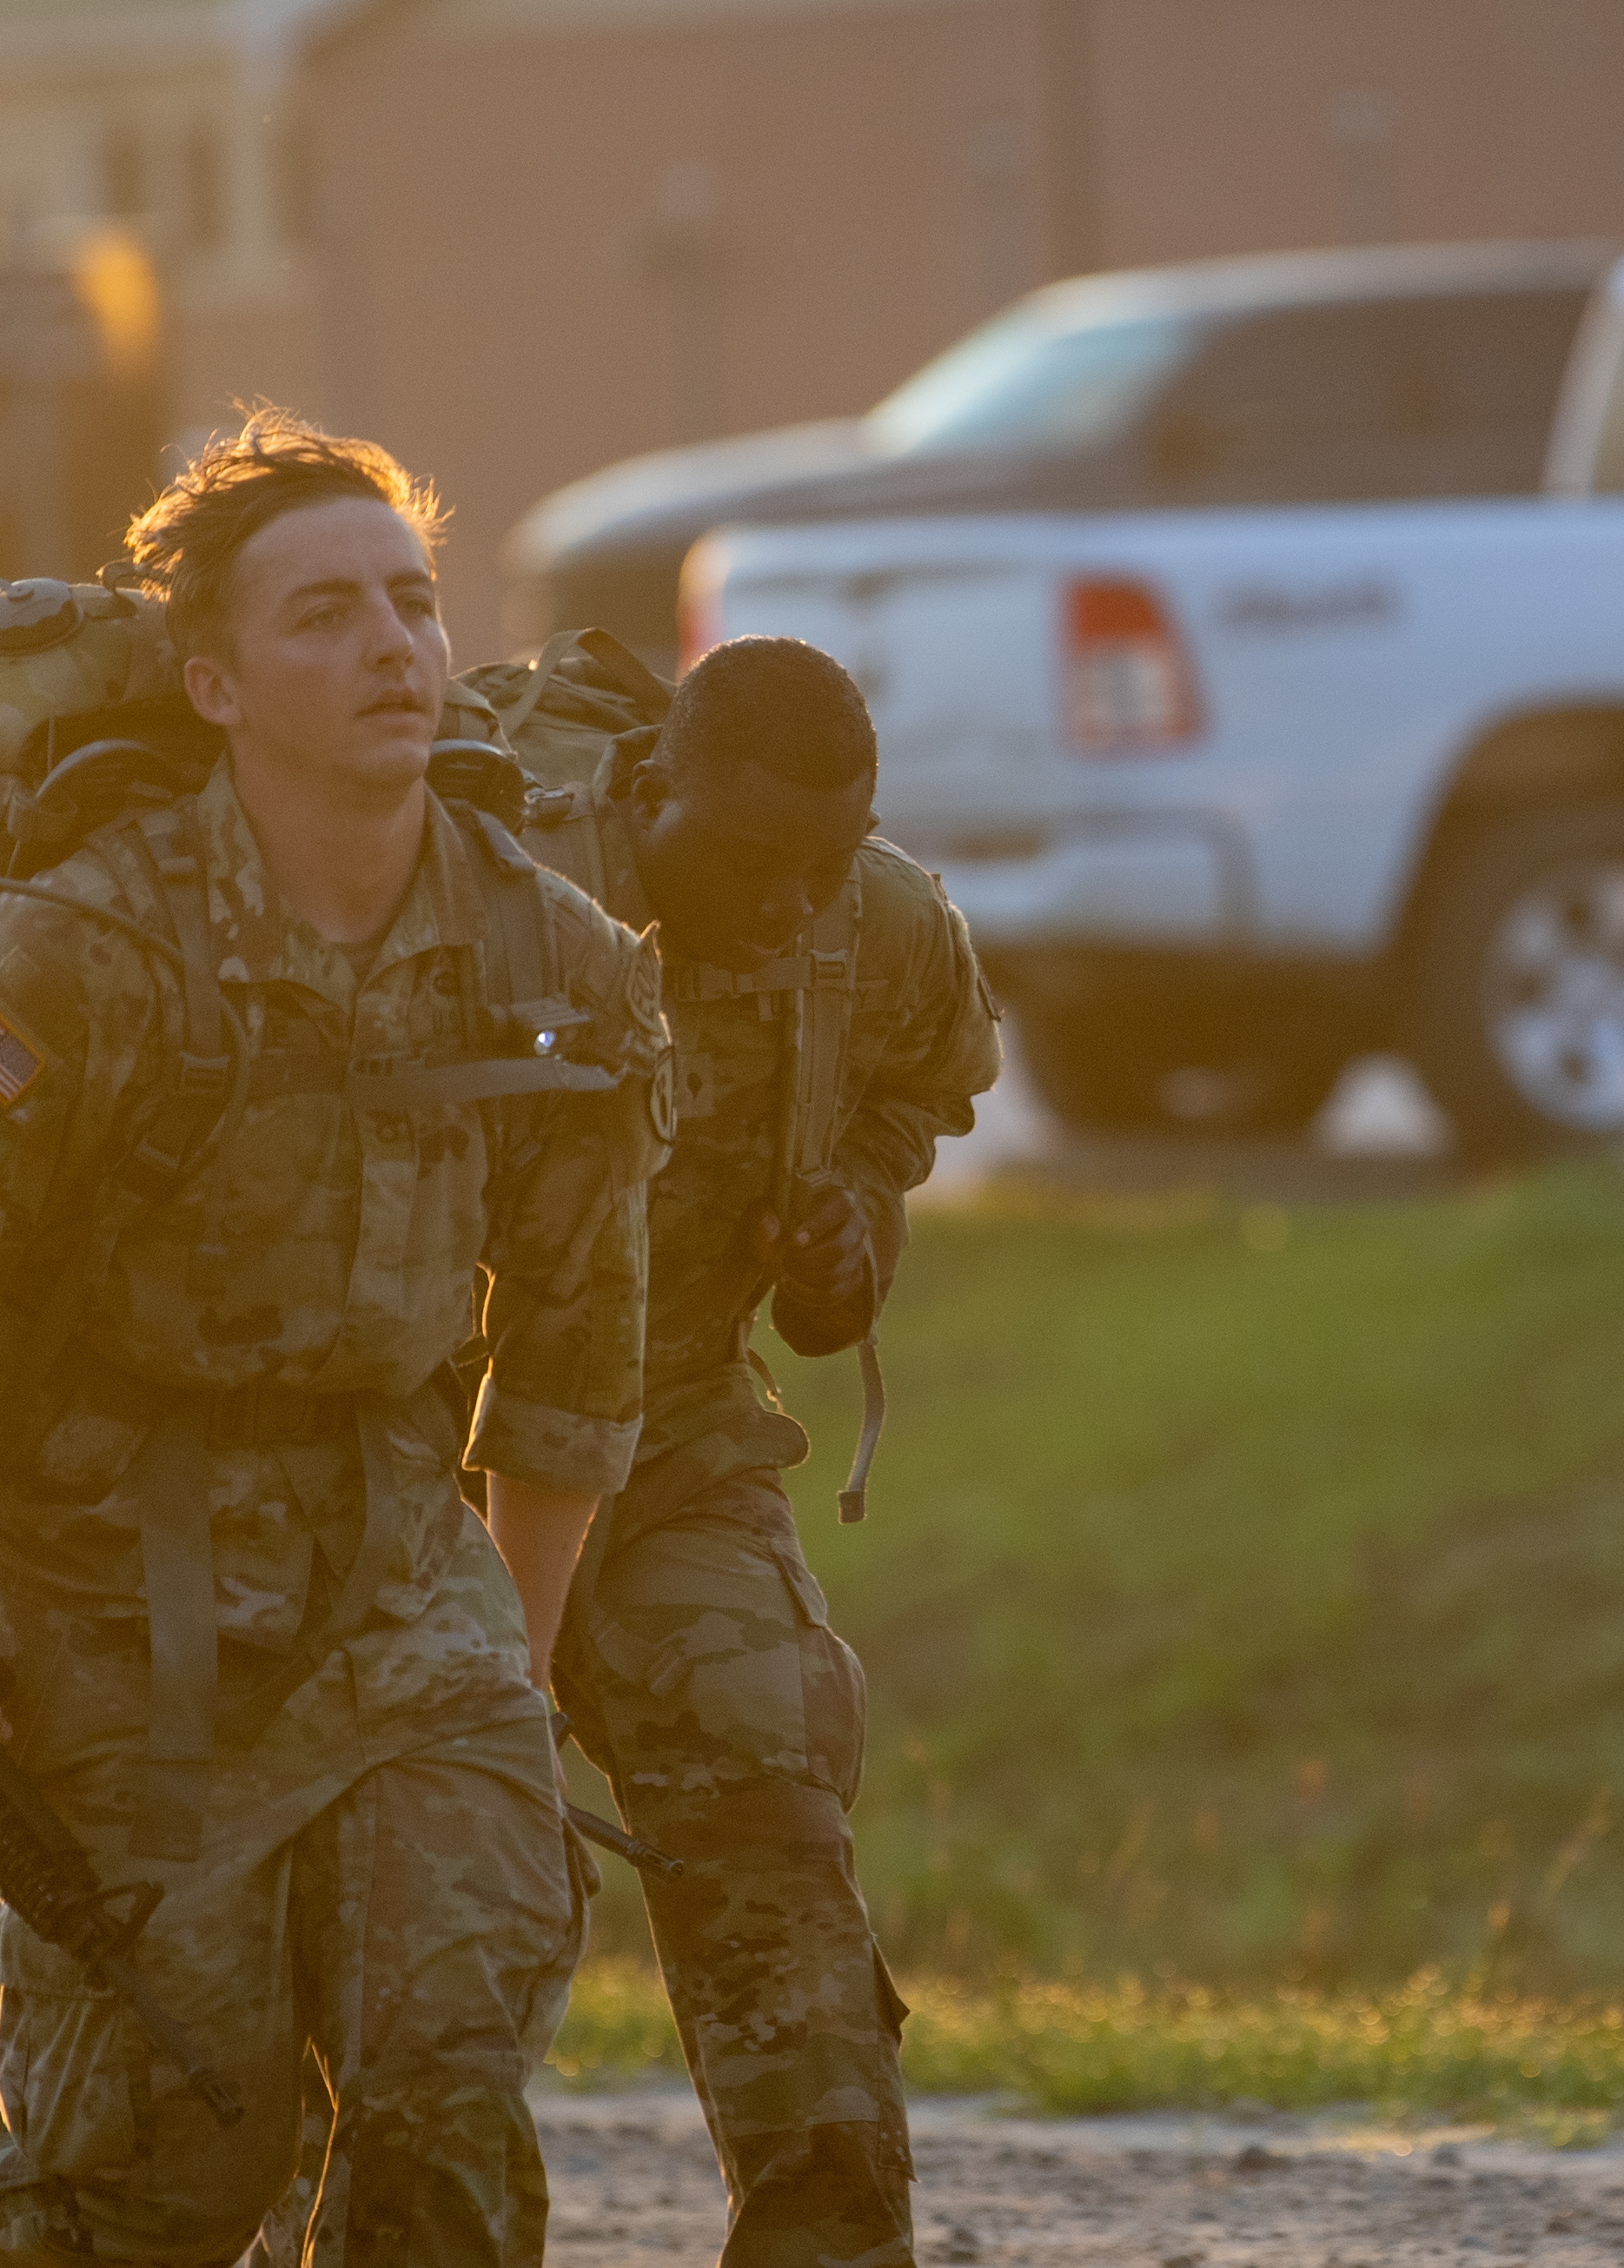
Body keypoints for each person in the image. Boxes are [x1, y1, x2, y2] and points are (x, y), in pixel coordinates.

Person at [0, 408, 670, 2268]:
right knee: (165, 2169)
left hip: (404, 1577)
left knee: (447, 2111)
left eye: (411, 603)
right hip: (117, 1589)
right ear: (214, 685)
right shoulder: (64, 956)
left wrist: (505, 1672)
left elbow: (577, 1354)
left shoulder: (559, 962)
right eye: (322, 615)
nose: (390, 647)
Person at [553, 634, 1004, 2268]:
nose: (793, 903)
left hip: (663, 1422)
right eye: (753, 860)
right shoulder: (498, 893)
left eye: (829, 860)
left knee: (764, 1750)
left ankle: (832, 2230)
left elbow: (914, 1095)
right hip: (395, 1450)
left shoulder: (879, 925)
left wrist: (849, 1230)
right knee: (415, 1904)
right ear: (650, 792)